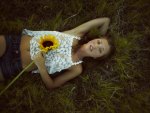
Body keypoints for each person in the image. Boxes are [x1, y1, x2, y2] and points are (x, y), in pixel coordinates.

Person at [0, 17, 112, 90]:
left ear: (96, 57)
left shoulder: (76, 68)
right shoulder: (77, 34)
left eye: (100, 50)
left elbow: (52, 85)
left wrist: (41, 66)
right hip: (13, 43)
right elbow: (105, 20)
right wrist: (103, 35)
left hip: (13, 65)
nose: (96, 46)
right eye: (98, 42)